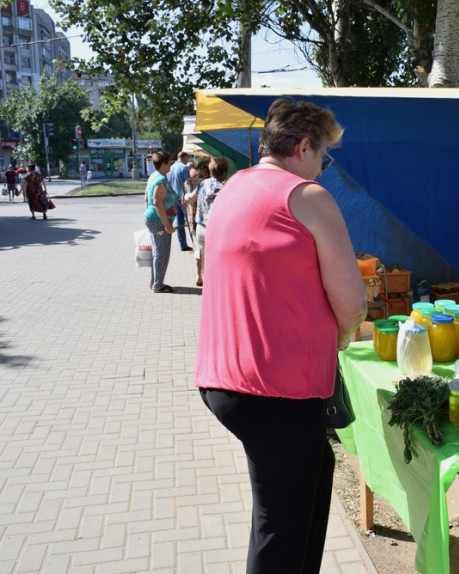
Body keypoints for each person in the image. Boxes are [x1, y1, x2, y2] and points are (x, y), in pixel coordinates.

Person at [194, 98, 368, 574]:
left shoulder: (234, 186)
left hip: (227, 379)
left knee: (313, 479)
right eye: (324, 157)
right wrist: (343, 335)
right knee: (279, 528)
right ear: (304, 146)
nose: (323, 170)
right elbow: (352, 304)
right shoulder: (307, 196)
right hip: (274, 391)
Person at [187, 156, 228, 287]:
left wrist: (196, 210)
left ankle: (199, 277)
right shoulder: (225, 187)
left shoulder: (203, 184)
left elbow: (191, 199)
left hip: (201, 226)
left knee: (199, 251)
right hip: (216, 229)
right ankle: (212, 284)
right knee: (214, 258)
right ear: (224, 172)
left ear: (210, 171)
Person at [142, 151, 179, 293]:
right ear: (163, 163)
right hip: (158, 220)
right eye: (169, 162)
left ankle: (155, 282)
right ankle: (158, 284)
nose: (171, 165)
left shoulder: (154, 177)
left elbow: (146, 198)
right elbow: (157, 202)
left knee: (158, 251)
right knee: (161, 252)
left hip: (153, 218)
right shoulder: (160, 180)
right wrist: (167, 225)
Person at [167, 151, 192, 251]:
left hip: (174, 198)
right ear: (184, 157)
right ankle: (195, 243)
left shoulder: (171, 167)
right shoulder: (184, 167)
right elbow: (188, 182)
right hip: (183, 198)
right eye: (188, 158)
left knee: (179, 222)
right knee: (190, 221)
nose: (188, 161)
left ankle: (182, 244)